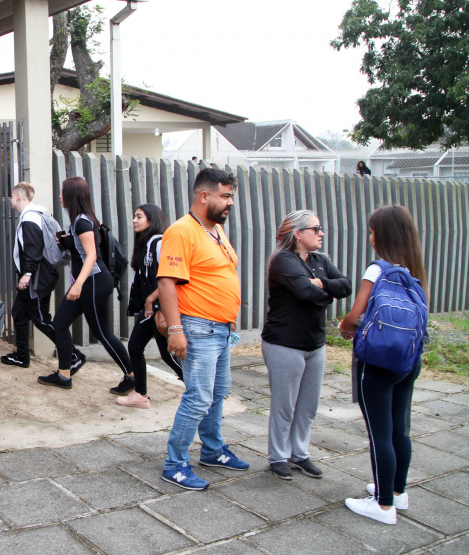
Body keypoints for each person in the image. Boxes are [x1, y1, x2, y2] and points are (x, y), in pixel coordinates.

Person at [157, 168, 248, 491]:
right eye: (225, 196)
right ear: (204, 196)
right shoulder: (182, 231)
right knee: (198, 398)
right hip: (197, 329)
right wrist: (175, 330)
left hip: (221, 329)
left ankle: (212, 450)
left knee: (218, 393)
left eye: (231, 197)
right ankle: (175, 464)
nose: (230, 203)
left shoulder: (215, 230)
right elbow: (167, 281)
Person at [340, 205, 427, 525]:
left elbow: (354, 315)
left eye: (372, 231)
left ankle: (383, 504)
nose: (371, 237)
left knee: (380, 433)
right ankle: (397, 492)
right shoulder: (413, 270)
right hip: (408, 360)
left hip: (377, 363)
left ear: (382, 236)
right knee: (399, 429)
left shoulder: (377, 270)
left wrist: (346, 326)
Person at [262, 210, 351, 480]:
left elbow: (345, 285)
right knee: (285, 405)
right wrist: (326, 292)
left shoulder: (320, 261)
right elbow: (305, 292)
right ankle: (278, 456)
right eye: (316, 228)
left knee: (308, 405)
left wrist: (321, 283)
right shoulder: (282, 261)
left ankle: (299, 453)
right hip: (285, 345)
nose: (321, 233)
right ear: (298, 233)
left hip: (315, 345)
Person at [38, 176, 132, 390]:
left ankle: (132, 375)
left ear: (72, 195)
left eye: (63, 191)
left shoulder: (82, 221)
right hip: (88, 282)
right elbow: (81, 249)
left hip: (93, 283)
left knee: (103, 333)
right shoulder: (81, 220)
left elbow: (91, 256)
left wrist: (78, 285)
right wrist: (66, 241)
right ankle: (64, 375)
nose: (60, 196)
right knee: (60, 324)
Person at [1, 182, 85, 371]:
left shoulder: (30, 218)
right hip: (37, 276)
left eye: (11, 196)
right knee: (19, 314)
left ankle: (73, 355)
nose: (10, 199)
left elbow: (33, 248)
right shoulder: (34, 215)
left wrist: (27, 274)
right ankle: (22, 355)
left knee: (41, 318)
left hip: (37, 278)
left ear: (19, 196)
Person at [116, 204, 184, 409]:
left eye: (139, 217)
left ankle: (199, 388)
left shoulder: (160, 242)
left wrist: (151, 299)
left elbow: (172, 276)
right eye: (134, 216)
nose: (134, 220)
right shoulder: (146, 243)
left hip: (159, 307)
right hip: (151, 309)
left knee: (166, 354)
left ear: (152, 220)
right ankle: (141, 394)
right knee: (136, 346)